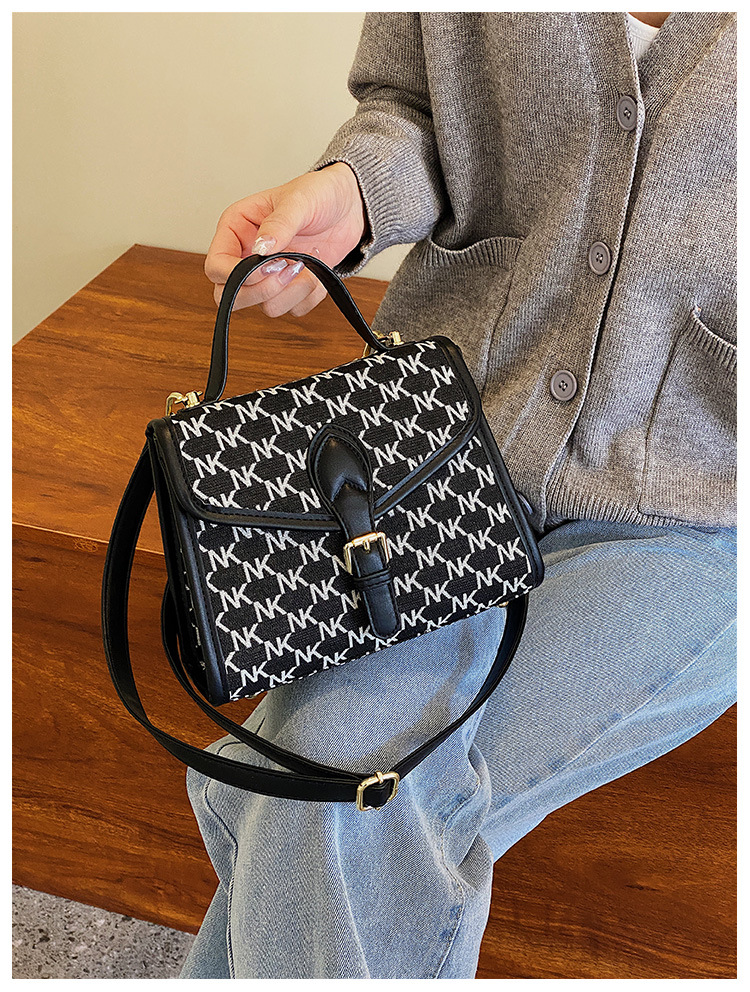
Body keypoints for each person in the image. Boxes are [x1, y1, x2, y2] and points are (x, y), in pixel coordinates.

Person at [180, 12, 736, 979]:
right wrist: (356, 192)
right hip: (443, 449)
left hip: (704, 502)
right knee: (326, 772)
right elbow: (413, 104)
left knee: (320, 797)